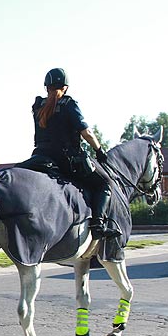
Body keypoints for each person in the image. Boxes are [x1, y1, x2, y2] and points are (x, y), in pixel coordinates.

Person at [30, 68, 119, 240]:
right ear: (66, 87)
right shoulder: (69, 104)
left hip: (39, 157)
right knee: (104, 185)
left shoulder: (37, 106)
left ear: (46, 87)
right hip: (65, 161)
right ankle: (97, 226)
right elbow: (87, 133)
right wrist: (99, 150)